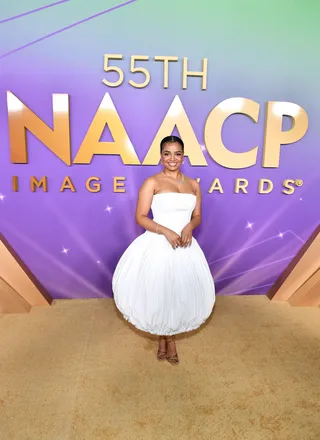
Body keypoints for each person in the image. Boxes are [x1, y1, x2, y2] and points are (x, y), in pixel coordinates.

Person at [112, 135, 215, 365]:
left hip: (185, 245)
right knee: (161, 290)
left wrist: (190, 225)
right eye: (167, 153)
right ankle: (165, 339)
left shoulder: (194, 185)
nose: (172, 158)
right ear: (161, 156)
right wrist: (166, 231)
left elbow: (197, 216)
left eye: (177, 154)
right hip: (159, 243)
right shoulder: (152, 183)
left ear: (183, 156)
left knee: (179, 291)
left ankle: (170, 338)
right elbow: (140, 217)